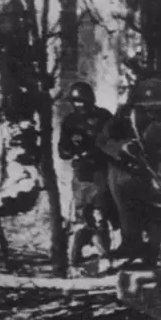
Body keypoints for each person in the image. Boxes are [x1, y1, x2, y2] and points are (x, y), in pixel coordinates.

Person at [96, 77, 161, 269]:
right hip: (123, 173)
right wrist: (122, 147)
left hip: (153, 173)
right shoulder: (124, 118)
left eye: (158, 107)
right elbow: (103, 140)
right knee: (129, 215)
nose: (153, 112)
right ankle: (130, 250)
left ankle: (156, 255)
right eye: (148, 108)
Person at [58, 81, 117, 277]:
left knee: (99, 216)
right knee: (81, 218)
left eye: (81, 101)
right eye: (75, 102)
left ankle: (105, 257)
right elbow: (63, 149)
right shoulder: (70, 121)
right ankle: (73, 261)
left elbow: (112, 144)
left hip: (101, 172)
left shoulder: (104, 117)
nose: (78, 105)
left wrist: (94, 152)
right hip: (81, 175)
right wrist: (70, 152)